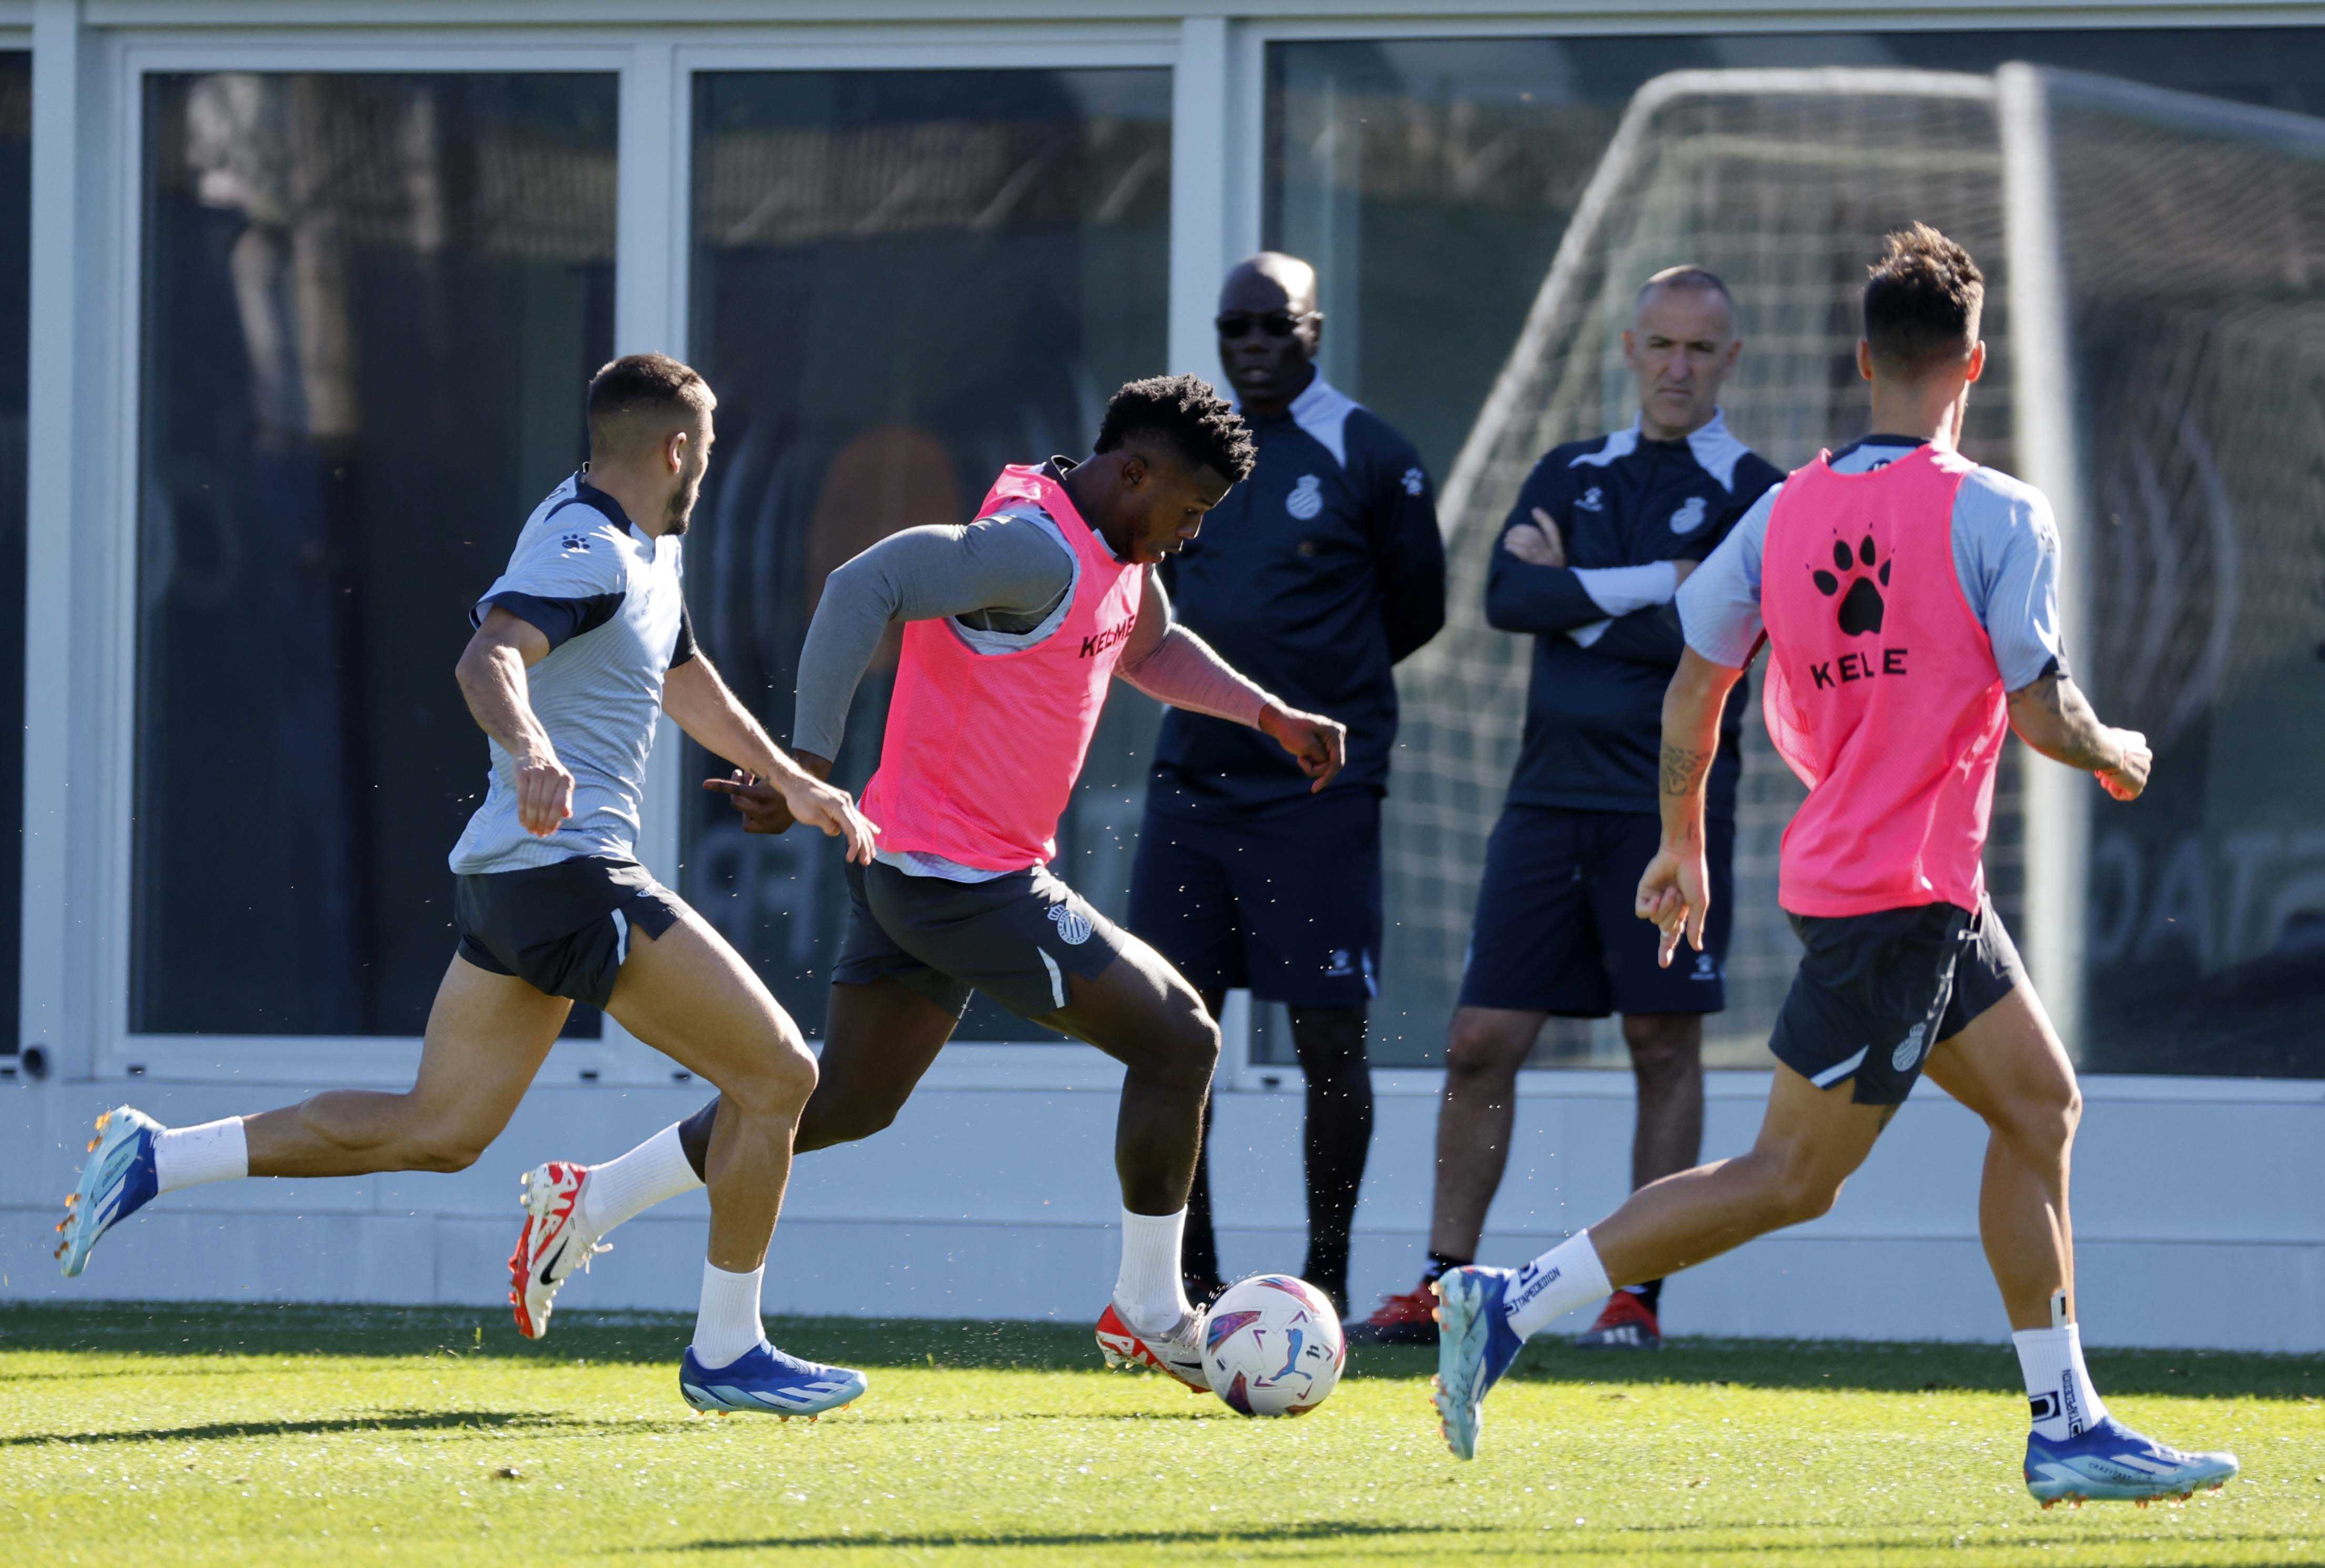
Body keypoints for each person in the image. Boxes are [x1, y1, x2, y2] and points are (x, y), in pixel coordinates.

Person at [1427, 226, 2239, 1508]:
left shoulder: (1783, 509)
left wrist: (1681, 843)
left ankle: (2068, 1424)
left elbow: (1693, 690)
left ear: (1865, 360)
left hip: (1915, 892)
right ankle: (1513, 1298)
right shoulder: (1999, 511)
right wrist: (2117, 748)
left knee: (2041, 1107)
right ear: (1974, 363)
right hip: (1892, 901)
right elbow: (2042, 714)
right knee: (1791, 1178)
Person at [58, 355, 882, 1420]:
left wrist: (792, 781)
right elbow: (487, 657)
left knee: (438, 1130)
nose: (707, 472)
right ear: (677, 449)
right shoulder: (586, 545)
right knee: (778, 1075)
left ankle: (160, 1157)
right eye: (707, 453)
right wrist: (533, 745)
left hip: (516, 884)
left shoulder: (644, 548)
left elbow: (683, 676)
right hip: (572, 873)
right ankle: (728, 1350)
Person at [507, 375, 1349, 1391]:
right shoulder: (1033, 548)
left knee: (844, 1100)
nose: (1190, 534)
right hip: (964, 881)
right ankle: (1151, 1310)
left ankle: (591, 1197)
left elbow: (1152, 646)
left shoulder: (1112, 549)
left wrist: (1269, 716)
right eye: (1190, 510)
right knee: (1180, 1039)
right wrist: (804, 767)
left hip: (915, 866)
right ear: (1134, 472)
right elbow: (861, 584)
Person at [1359, 267, 1780, 1350]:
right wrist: (1663, 581)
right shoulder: (1569, 469)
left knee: (1660, 1040)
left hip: (1668, 808)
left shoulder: (1763, 494)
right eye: (1662, 345)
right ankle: (1444, 1286)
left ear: (1731, 360)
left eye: (1701, 349)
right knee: (1480, 1039)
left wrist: (1583, 598)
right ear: (1629, 350)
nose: (1678, 367)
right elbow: (1509, 598)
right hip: (1545, 801)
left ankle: (1636, 1295)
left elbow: (1719, 636)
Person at [1130, 253, 1446, 1317]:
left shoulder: (1370, 452)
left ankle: (1326, 1286)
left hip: (1315, 797)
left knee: (1327, 1041)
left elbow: (1417, 609)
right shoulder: (1192, 458)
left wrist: (1323, 686)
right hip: (1192, 785)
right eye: (1237, 328)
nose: (1256, 345)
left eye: (1276, 325)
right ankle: (1186, 1293)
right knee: (1170, 1037)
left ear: (1315, 328)